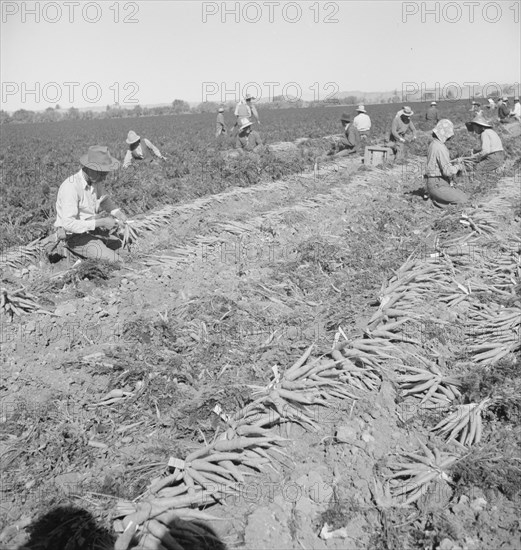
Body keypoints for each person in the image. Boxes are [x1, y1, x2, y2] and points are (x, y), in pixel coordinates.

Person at [54, 145, 128, 262]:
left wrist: (118, 213)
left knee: (125, 248)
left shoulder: (94, 180)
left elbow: (105, 201)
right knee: (116, 261)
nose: (103, 178)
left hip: (92, 230)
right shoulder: (71, 187)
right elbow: (68, 224)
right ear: (88, 167)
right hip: (74, 236)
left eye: (105, 173)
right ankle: (71, 253)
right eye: (101, 173)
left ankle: (93, 248)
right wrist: (102, 222)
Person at [423, 119, 468, 208]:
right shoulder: (440, 148)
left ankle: (436, 198)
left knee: (461, 195)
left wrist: (452, 163)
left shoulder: (433, 144)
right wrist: (458, 166)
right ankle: (436, 202)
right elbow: (447, 172)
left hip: (436, 182)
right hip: (437, 184)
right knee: (463, 201)